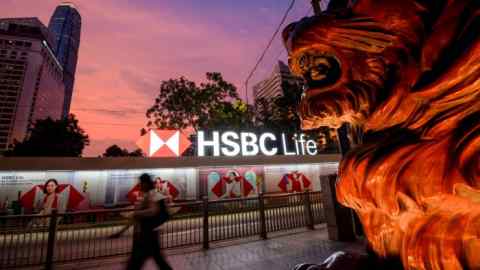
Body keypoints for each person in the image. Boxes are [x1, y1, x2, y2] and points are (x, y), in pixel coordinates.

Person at [125, 173, 172, 270]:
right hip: (150, 232)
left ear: (146, 183)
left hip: (148, 233)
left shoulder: (152, 194)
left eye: (141, 183)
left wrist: (138, 213)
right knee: (158, 259)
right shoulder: (152, 194)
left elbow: (153, 211)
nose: (140, 185)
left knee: (137, 262)